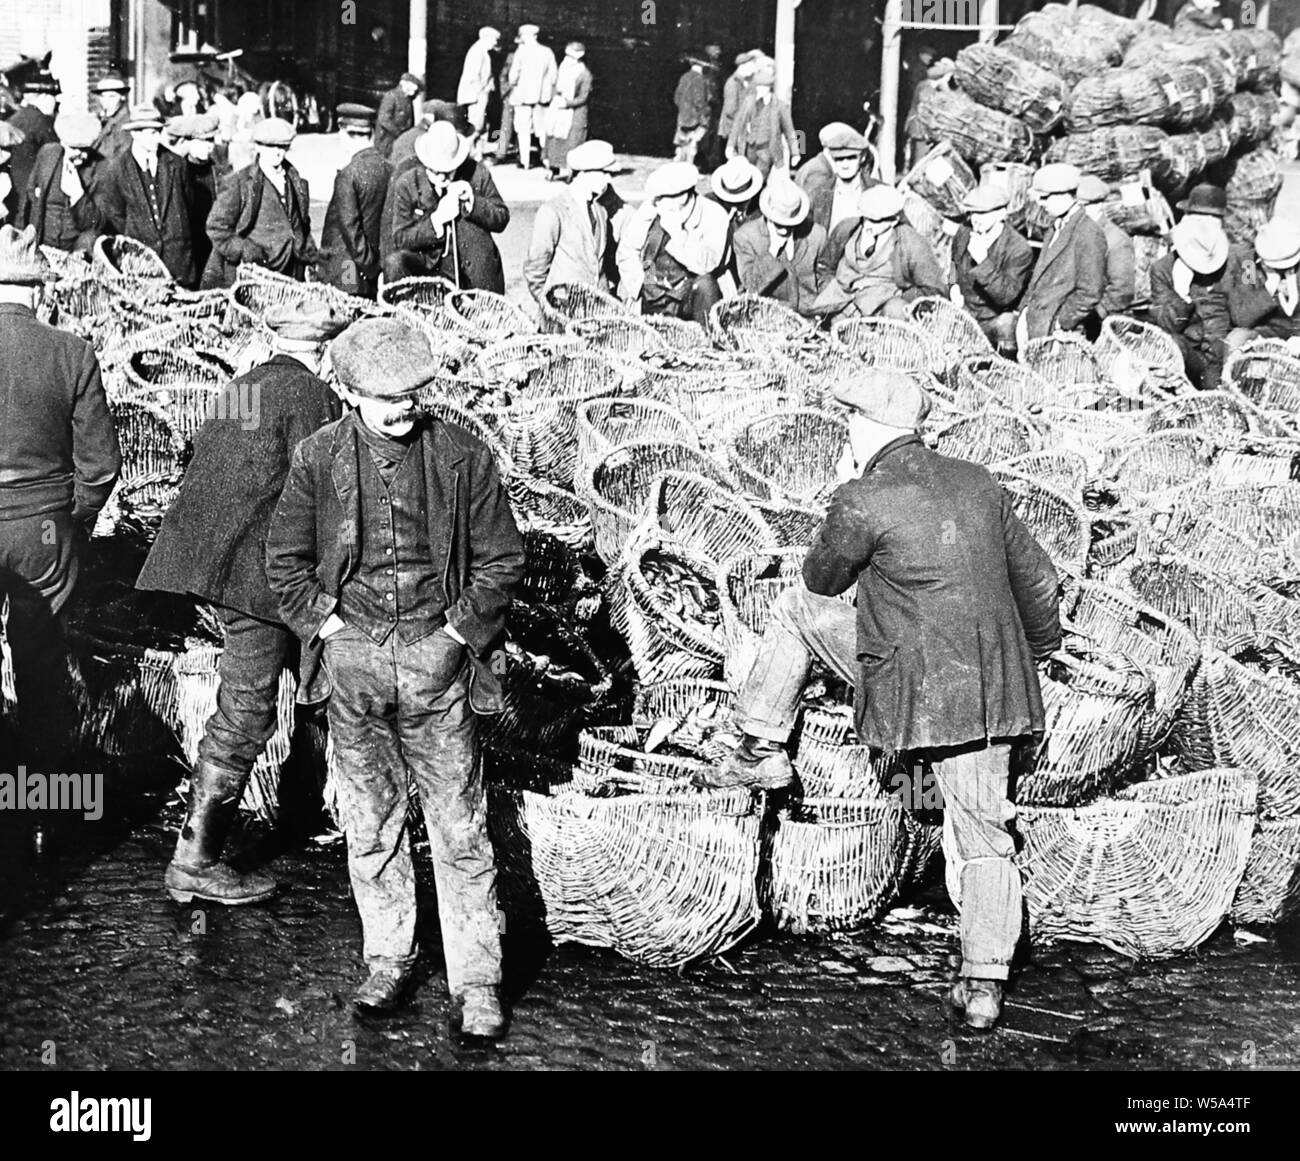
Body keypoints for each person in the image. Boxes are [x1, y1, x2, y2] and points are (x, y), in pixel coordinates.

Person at [703, 367, 1060, 1031]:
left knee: (796, 609)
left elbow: (819, 580)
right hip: (990, 685)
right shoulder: (979, 482)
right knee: (985, 835)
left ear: (863, 429)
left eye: (849, 425)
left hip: (910, 683)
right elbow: (1038, 583)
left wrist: (848, 494)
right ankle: (984, 983)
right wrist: (1033, 657)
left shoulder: (863, 495)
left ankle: (761, 744)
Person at [265, 316, 525, 1034]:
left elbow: (503, 560)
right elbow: (283, 562)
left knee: (460, 828)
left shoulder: (464, 457)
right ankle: (388, 957)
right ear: (349, 392)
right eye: (388, 398)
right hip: (355, 672)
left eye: (414, 393)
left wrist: (454, 635)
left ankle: (477, 981)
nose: (405, 408)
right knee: (371, 822)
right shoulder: (318, 457)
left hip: (438, 671)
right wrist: (332, 633)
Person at [137, 303, 348, 904]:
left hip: (216, 562)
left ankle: (282, 817)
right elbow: (322, 495)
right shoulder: (313, 397)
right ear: (323, 353)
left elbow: (214, 464)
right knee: (247, 709)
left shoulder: (241, 386)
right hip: (259, 578)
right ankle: (194, 861)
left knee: (256, 700)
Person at [0, 225, 121, 776]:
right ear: (40, 290)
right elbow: (101, 466)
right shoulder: (73, 352)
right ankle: (42, 796)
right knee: (42, 662)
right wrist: (70, 519)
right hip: (44, 528)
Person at [384, 121, 509, 292]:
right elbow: (400, 238)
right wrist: (435, 221)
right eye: (435, 172)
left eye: (448, 171)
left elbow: (501, 218)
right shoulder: (407, 183)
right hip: (427, 266)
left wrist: (473, 203)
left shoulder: (477, 173)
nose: (442, 178)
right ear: (425, 163)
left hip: (471, 269)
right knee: (394, 262)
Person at [202, 117, 317, 290]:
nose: (277, 152)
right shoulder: (239, 182)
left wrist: (311, 256)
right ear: (257, 147)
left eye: (282, 147)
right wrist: (244, 250)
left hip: (292, 273)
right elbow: (216, 227)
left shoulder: (296, 181)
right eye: (270, 146)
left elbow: (302, 224)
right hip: (254, 276)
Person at [615, 160, 730, 323]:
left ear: (682, 198)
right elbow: (628, 249)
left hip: (690, 293)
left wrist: (677, 234)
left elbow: (707, 264)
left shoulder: (713, 214)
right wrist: (646, 283)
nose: (656, 204)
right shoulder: (651, 208)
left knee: (706, 285)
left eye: (662, 200)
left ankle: (707, 335)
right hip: (654, 288)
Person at [813, 183, 947, 319]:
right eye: (865, 218)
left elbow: (934, 289)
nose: (867, 226)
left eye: (875, 221)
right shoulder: (846, 229)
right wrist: (829, 289)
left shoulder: (911, 242)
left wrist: (897, 297)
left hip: (882, 316)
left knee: (897, 309)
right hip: (839, 306)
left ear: (894, 220)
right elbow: (824, 266)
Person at [99, 104, 198, 286]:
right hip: (141, 265)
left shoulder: (177, 164)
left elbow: (189, 205)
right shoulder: (118, 169)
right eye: (151, 133)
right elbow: (115, 213)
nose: (157, 138)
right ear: (135, 134)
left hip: (178, 261)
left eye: (158, 132)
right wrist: (138, 232)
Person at [1017, 162, 1106, 344]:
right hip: (1036, 323)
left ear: (1066, 195)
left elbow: (1090, 292)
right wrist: (1023, 311)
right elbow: (1039, 279)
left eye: (1045, 197)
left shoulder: (1088, 232)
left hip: (1058, 333)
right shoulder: (1055, 228)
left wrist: (1061, 322)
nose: (1040, 204)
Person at [1149, 215, 1239, 389]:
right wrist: (1181, 294)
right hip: (1194, 353)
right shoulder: (1162, 270)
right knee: (1172, 343)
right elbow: (1167, 326)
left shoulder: (1236, 260)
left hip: (1227, 348)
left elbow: (1245, 312)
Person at [524, 138, 618, 300]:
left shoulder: (601, 211)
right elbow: (535, 269)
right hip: (564, 306)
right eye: (604, 173)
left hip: (598, 306)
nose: (608, 179)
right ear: (583, 174)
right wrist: (549, 304)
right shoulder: (553, 211)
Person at [950, 183, 1035, 355]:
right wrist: (953, 285)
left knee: (1007, 324)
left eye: (983, 213)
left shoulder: (1018, 248)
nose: (976, 219)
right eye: (972, 213)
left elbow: (1006, 296)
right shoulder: (965, 231)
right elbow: (954, 262)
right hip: (963, 312)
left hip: (993, 318)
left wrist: (983, 261)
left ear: (1001, 214)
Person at [318, 104, 391, 299]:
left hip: (347, 268)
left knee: (345, 312)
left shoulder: (348, 175)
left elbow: (350, 230)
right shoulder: (389, 168)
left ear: (345, 134)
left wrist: (368, 266)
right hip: (374, 267)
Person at [732, 175, 828, 317]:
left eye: (790, 224)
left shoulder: (816, 234)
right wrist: (772, 251)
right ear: (768, 214)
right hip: (766, 316)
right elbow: (752, 287)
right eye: (778, 223)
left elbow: (824, 277)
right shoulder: (746, 237)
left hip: (808, 316)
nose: (783, 230)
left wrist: (821, 309)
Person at [17, 113, 107, 256]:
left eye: (84, 149)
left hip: (76, 252)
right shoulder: (47, 154)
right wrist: (21, 237)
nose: (80, 154)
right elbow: (28, 198)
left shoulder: (101, 168)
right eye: (73, 148)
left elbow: (97, 224)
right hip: (41, 245)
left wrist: (78, 195)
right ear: (62, 143)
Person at [166, 113, 227, 277]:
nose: (209, 147)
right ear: (189, 142)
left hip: (212, 240)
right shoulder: (178, 170)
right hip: (188, 241)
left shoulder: (218, 170)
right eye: (203, 141)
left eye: (211, 141)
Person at [1228, 217, 1300, 350]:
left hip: (1296, 329)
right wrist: (1268, 289)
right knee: (1236, 339)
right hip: (1265, 330)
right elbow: (1241, 317)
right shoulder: (1249, 266)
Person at [796, 122, 881, 234]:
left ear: (863, 157)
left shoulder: (878, 191)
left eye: (851, 157)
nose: (845, 165)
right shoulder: (818, 194)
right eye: (839, 158)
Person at [1077, 174, 1135, 326]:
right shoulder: (1076, 232)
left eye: (1082, 206)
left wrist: (1096, 314)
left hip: (1095, 320)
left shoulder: (1116, 240)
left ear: (1099, 206)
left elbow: (1122, 289)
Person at [727, 62, 799, 180]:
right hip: (748, 148)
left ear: (768, 88)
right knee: (745, 178)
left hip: (767, 150)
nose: (759, 90)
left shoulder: (780, 106)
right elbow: (737, 124)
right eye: (757, 87)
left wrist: (795, 153)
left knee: (759, 178)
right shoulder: (748, 101)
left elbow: (790, 130)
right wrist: (730, 145)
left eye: (762, 88)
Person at [4, 71, 59, 221]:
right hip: (33, 197)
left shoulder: (14, 118)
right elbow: (55, 157)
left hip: (13, 195)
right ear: (45, 96)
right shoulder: (41, 121)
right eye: (54, 98)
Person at [509, 24, 557, 170]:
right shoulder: (547, 52)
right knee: (543, 130)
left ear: (525, 36)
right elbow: (554, 76)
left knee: (523, 129)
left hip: (522, 98)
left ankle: (525, 161)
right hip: (542, 98)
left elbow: (513, 76)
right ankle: (547, 160)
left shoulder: (520, 52)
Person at [544, 42, 593, 181]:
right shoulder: (563, 69)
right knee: (555, 140)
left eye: (571, 57)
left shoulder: (584, 74)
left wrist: (567, 103)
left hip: (575, 113)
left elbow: (583, 97)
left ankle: (573, 172)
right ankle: (553, 168)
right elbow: (555, 85)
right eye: (567, 55)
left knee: (573, 143)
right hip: (559, 111)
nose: (567, 59)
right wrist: (556, 99)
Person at [905, 53, 953, 171]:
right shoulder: (926, 86)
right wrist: (944, 88)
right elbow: (927, 107)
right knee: (920, 161)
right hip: (921, 129)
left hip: (927, 130)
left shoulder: (932, 86)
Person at [457, 26, 501, 151]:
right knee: (476, 126)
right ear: (485, 38)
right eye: (494, 39)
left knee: (481, 125)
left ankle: (477, 153)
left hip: (479, 95)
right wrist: (482, 94)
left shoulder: (482, 51)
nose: (495, 43)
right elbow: (473, 77)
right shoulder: (477, 52)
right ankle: (468, 152)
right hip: (475, 96)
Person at [718, 51, 761, 160]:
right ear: (743, 66)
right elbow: (730, 110)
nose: (754, 69)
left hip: (741, 129)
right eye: (751, 66)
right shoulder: (732, 83)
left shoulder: (746, 82)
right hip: (732, 128)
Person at [674, 53, 713, 165]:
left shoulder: (684, 77)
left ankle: (679, 165)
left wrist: (683, 109)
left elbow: (676, 98)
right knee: (692, 145)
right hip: (695, 118)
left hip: (682, 117)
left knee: (682, 145)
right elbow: (699, 101)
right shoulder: (699, 79)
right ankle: (689, 167)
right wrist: (706, 115)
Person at [375, 72, 423, 161]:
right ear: (403, 83)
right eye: (412, 86)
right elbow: (384, 119)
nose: (414, 90)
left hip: (400, 138)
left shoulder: (408, 98)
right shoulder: (391, 96)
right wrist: (398, 132)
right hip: (387, 139)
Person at [92, 71, 132, 162]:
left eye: (112, 97)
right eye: (103, 96)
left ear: (122, 97)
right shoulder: (101, 120)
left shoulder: (126, 124)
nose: (107, 102)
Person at [493, 36, 519, 165]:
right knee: (506, 125)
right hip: (512, 95)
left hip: (522, 97)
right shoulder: (512, 57)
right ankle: (501, 153)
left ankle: (520, 154)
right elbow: (503, 75)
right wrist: (506, 90)